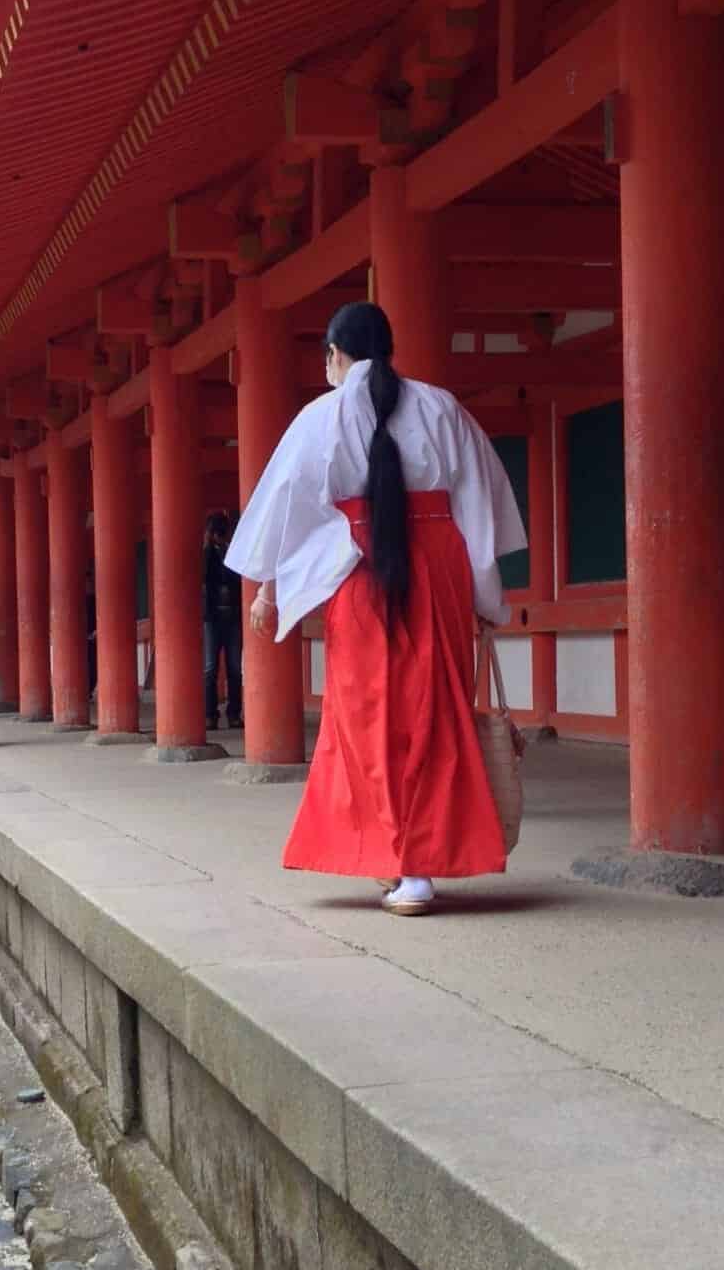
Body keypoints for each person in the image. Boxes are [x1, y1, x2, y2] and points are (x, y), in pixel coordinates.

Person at [225, 299, 526, 914]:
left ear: (336, 357)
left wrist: (270, 589)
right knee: (434, 712)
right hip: (437, 573)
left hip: (361, 575)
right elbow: (476, 507)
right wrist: (485, 595)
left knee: (365, 719)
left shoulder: (322, 416)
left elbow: (290, 505)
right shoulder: (442, 408)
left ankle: (394, 859)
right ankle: (417, 868)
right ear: (387, 349)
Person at [203, 510, 244, 731]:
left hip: (232, 616)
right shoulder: (206, 555)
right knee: (210, 667)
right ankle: (210, 714)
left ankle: (234, 713)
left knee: (234, 668)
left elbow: (237, 580)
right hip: (212, 618)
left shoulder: (233, 554)